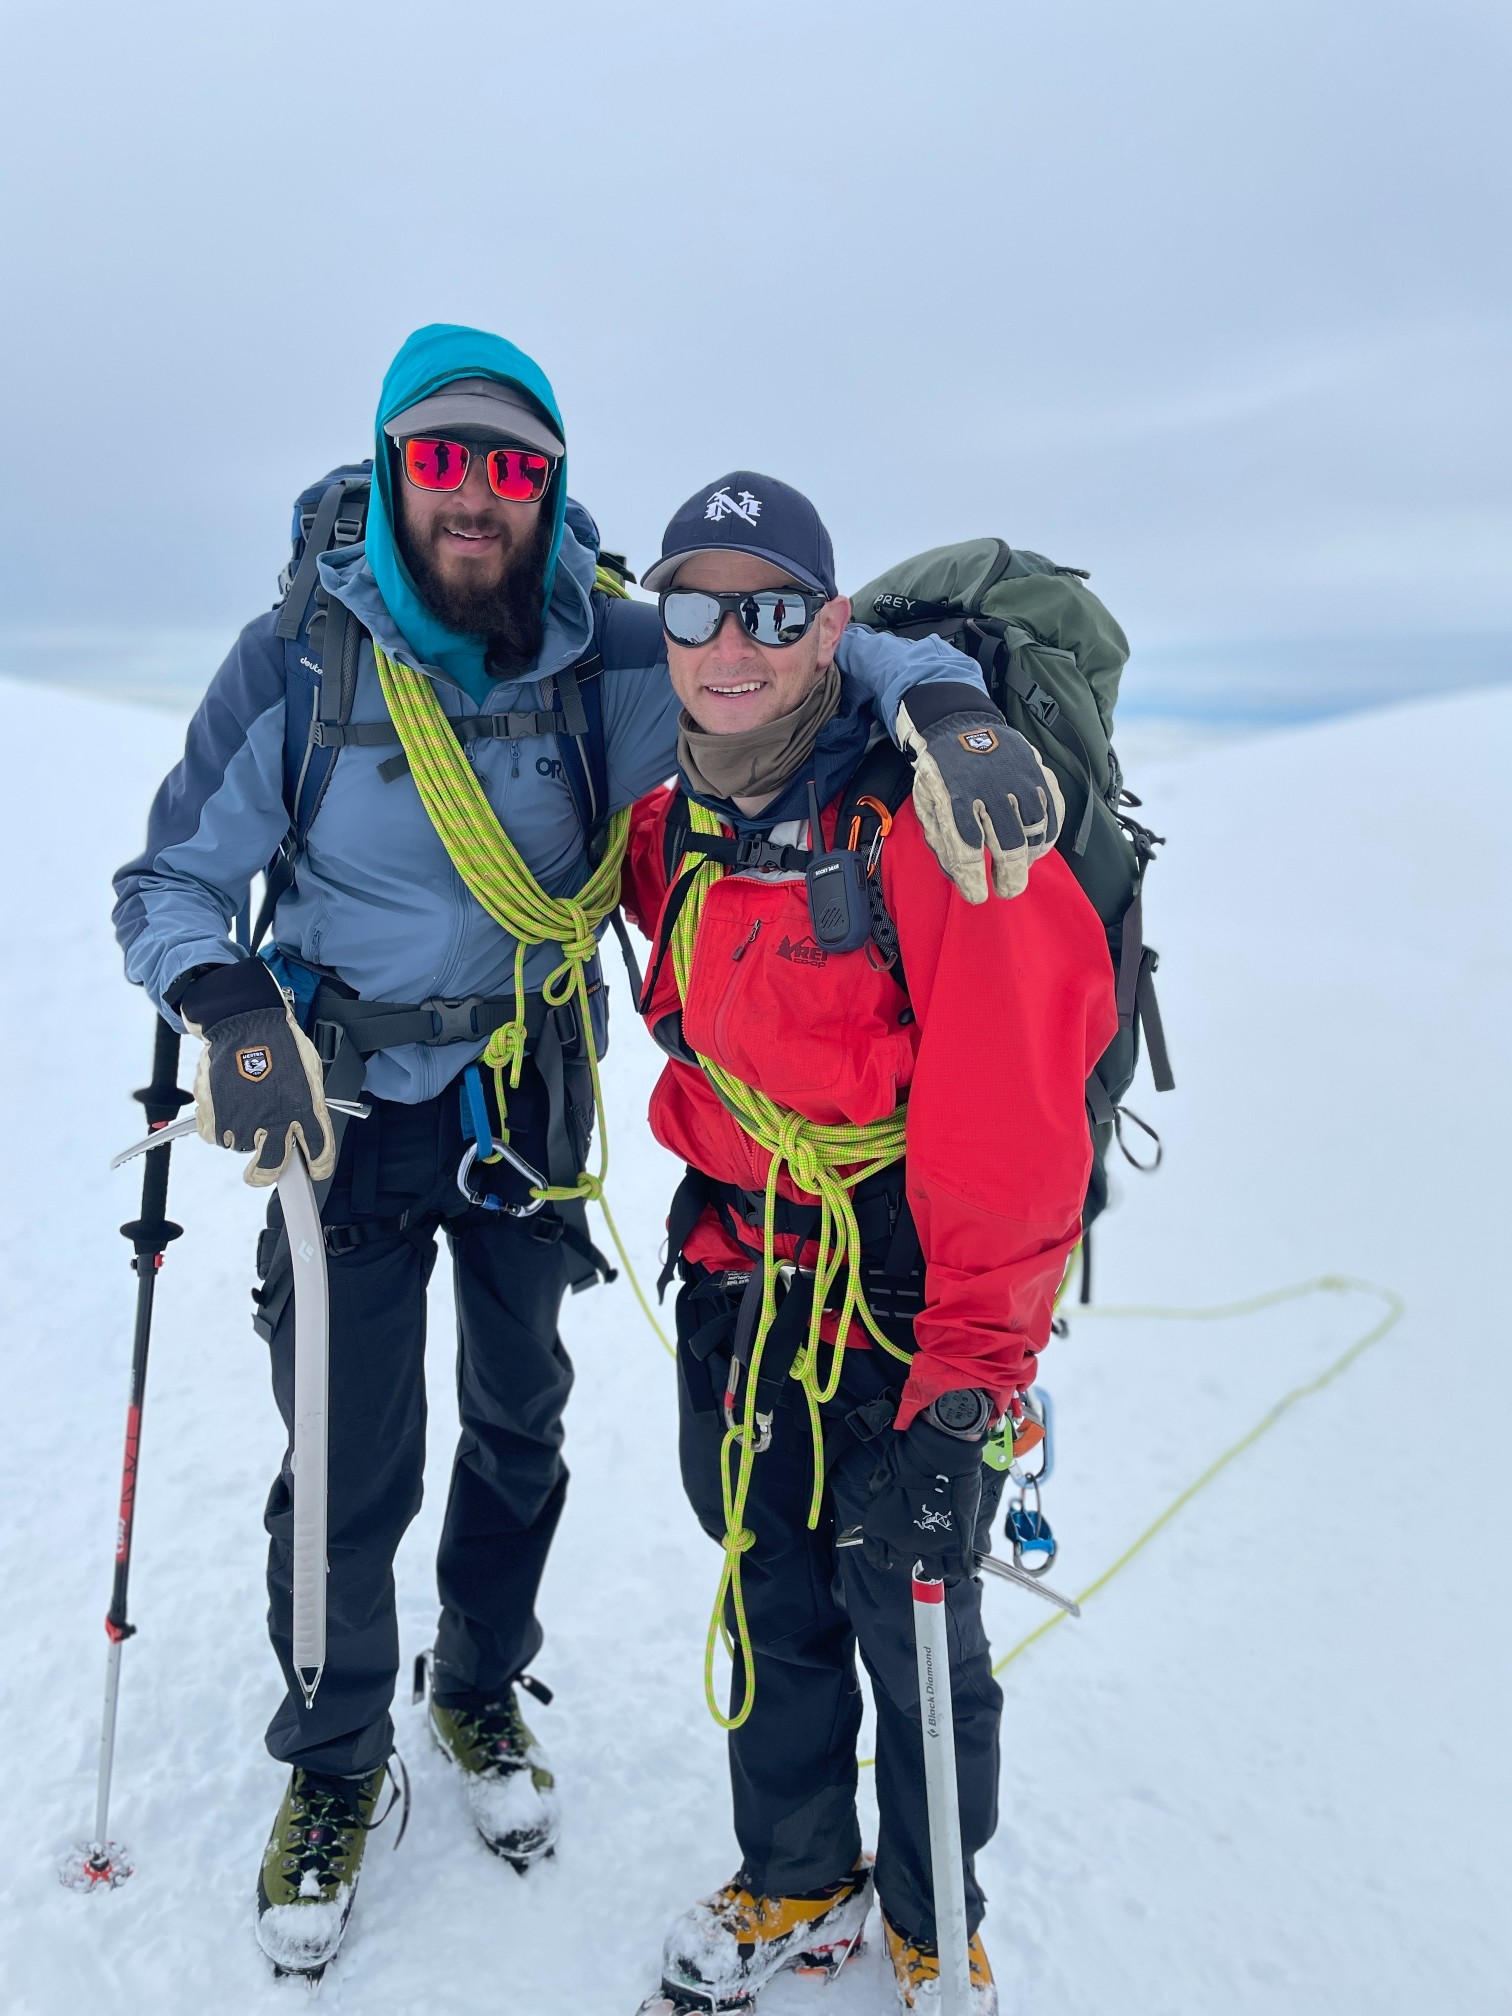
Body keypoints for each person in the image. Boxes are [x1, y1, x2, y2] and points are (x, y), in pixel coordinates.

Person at [110, 323, 1061, 1978]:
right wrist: (231, 1008)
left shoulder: (608, 646)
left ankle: (477, 1685)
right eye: (444, 459)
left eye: (515, 468)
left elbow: (828, 660)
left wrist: (959, 706)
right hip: (334, 1102)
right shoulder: (299, 664)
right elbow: (166, 884)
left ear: (554, 493)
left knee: (520, 1422)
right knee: (345, 1458)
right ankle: (338, 1765)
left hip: (521, 1096)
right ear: (392, 469)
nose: (477, 496)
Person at [620, 475, 1116, 2012]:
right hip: (742, 1271)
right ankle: (795, 1877)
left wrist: (975, 1379)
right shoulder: (669, 815)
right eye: (696, 606)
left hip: (907, 1288)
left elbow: (1020, 1122)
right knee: (767, 1578)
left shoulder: (938, 828)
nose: (732, 643)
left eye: (772, 608)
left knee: (907, 1605)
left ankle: (928, 1918)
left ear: (831, 628)